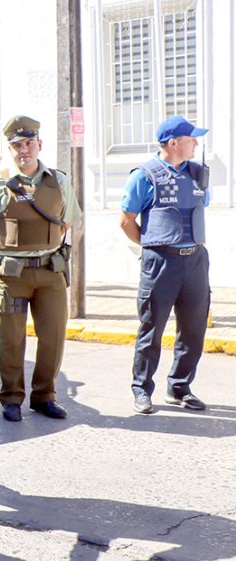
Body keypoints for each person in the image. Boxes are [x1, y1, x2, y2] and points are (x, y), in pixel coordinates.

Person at [0, 116, 82, 423]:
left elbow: (69, 221)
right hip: (12, 275)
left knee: (53, 336)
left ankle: (44, 395)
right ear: (10, 150)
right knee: (12, 338)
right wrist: (7, 250)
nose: (24, 150)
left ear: (39, 145)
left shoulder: (59, 181)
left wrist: (45, 244)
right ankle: (11, 398)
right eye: (17, 145)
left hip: (50, 271)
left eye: (29, 143)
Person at [119, 116, 210, 415]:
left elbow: (200, 206)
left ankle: (179, 388)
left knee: (193, 329)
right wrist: (152, 245)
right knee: (152, 329)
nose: (195, 143)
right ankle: (141, 390)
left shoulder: (198, 173)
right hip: (161, 262)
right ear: (173, 143)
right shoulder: (144, 176)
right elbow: (126, 221)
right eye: (190, 139)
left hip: (195, 260)